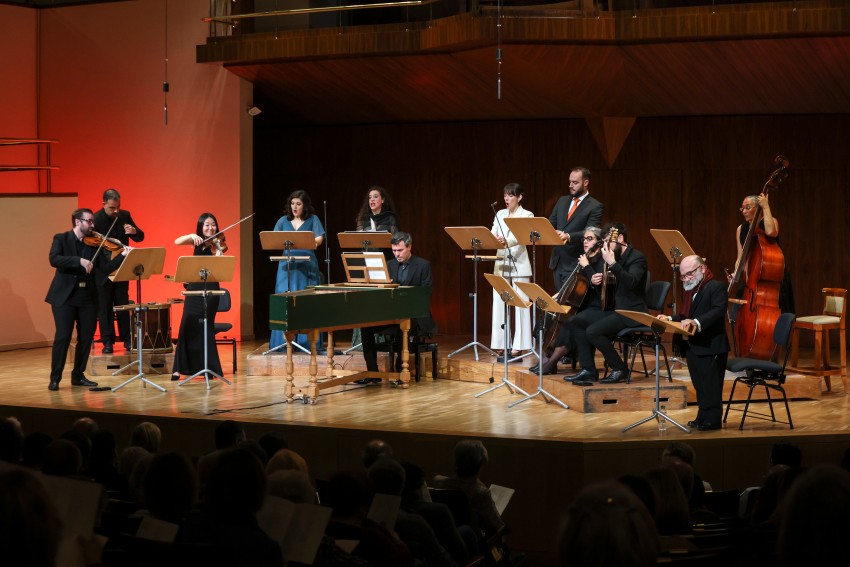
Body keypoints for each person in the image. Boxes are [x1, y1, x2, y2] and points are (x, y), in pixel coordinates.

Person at [46, 208, 130, 391]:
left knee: (86, 337)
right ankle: (55, 378)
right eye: (89, 221)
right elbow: (54, 259)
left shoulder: (94, 244)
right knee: (63, 336)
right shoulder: (61, 238)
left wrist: (123, 255)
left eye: (93, 221)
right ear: (78, 222)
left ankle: (78, 376)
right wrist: (79, 261)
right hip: (65, 297)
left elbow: (106, 269)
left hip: (87, 298)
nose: (93, 225)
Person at [564, 222, 648, 386]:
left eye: (608, 241)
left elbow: (631, 282)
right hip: (613, 308)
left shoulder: (637, 257)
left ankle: (620, 368)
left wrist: (613, 264)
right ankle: (589, 370)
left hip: (631, 311)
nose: (605, 246)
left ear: (621, 238)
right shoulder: (613, 256)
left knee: (593, 332)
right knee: (575, 321)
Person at [658, 255, 729, 431]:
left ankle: (712, 421)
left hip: (711, 345)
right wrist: (668, 318)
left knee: (711, 386)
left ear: (702, 269)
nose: (686, 278)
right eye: (683, 276)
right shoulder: (691, 290)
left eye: (689, 274)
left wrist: (696, 322)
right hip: (694, 346)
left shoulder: (716, 287)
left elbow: (718, 311)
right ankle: (702, 416)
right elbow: (685, 316)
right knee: (700, 385)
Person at [531, 226, 605, 375]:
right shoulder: (586, 258)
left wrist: (587, 266)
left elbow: (596, 285)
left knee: (569, 324)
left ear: (599, 242)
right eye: (584, 239)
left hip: (595, 306)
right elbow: (575, 284)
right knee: (548, 315)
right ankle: (546, 358)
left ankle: (551, 362)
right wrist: (559, 294)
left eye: (590, 239)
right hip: (581, 304)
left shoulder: (602, 261)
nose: (585, 242)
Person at [360, 231, 435, 378]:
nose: (397, 254)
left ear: (409, 247)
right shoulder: (389, 265)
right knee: (366, 327)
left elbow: (426, 293)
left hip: (415, 314)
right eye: (394, 251)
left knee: (403, 326)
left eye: (400, 250)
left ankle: (401, 370)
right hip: (392, 314)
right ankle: (373, 373)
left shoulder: (423, 265)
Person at [170, 212, 225, 382]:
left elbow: (220, 267)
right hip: (193, 290)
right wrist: (192, 235)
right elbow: (177, 241)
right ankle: (178, 368)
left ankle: (209, 368)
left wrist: (218, 250)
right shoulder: (196, 241)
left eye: (213, 224)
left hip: (211, 291)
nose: (210, 228)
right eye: (206, 225)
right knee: (186, 325)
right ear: (201, 227)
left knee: (206, 328)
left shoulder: (218, 243)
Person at [269, 190, 325, 352]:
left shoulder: (313, 219)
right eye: (292, 203)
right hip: (286, 266)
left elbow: (319, 240)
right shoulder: (282, 221)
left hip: (306, 265)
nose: (295, 206)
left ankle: (306, 342)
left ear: (305, 205)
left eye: (298, 204)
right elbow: (273, 240)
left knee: (304, 300)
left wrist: (302, 241)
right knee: (284, 299)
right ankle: (282, 341)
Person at [92, 188, 145, 354]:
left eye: (118, 207)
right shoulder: (96, 219)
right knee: (105, 308)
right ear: (104, 204)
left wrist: (134, 232)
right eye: (112, 208)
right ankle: (108, 342)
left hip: (121, 268)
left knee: (122, 306)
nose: (116, 211)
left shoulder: (124, 216)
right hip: (103, 271)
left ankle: (128, 340)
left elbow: (140, 237)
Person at [490, 182, 533, 359]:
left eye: (511, 195)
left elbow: (522, 236)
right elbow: (493, 232)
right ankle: (501, 344)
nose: (507, 199)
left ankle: (520, 345)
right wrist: (495, 238)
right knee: (499, 304)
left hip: (519, 264)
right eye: (505, 195)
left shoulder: (527, 214)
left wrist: (507, 241)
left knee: (521, 304)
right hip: (501, 264)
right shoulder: (499, 213)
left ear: (519, 197)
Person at [734, 192, 794, 314]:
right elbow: (740, 256)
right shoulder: (740, 229)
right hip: (752, 280)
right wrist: (736, 273)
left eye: (748, 208)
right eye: (742, 208)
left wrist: (766, 207)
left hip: (772, 279)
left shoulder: (770, 222)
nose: (744, 211)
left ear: (758, 208)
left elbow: (771, 231)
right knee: (737, 311)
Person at [548, 167, 604, 289]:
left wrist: (569, 236)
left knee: (569, 304)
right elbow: (551, 223)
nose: (571, 185)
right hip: (558, 261)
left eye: (575, 182)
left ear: (586, 183)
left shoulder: (595, 206)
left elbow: (591, 232)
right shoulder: (562, 200)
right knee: (560, 304)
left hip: (575, 261)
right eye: (570, 182)